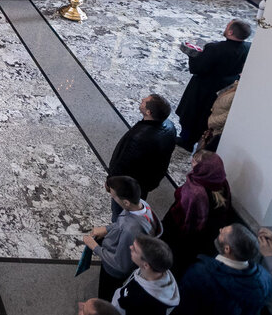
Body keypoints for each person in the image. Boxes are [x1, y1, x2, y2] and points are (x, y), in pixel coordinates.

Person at [175, 19, 252, 150]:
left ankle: (186, 141)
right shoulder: (248, 47)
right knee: (207, 116)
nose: (226, 28)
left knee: (192, 114)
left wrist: (192, 55)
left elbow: (198, 68)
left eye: (227, 26)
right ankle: (202, 139)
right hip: (225, 87)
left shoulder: (215, 49)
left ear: (230, 31)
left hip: (204, 87)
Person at [83, 176, 163, 301]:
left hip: (112, 271)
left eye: (114, 197)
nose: (112, 197)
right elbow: (123, 221)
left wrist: (94, 246)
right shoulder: (142, 205)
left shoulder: (130, 230)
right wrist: (107, 229)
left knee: (106, 296)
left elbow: (120, 265)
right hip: (117, 246)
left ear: (125, 202)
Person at [161, 150, 232, 276]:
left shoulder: (195, 193)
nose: (192, 162)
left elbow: (180, 218)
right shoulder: (220, 182)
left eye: (196, 162)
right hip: (205, 240)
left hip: (183, 240)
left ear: (205, 168)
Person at [176, 224, 272, 315]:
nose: (220, 229)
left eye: (223, 233)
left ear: (227, 249)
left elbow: (184, 306)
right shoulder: (266, 278)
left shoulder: (200, 274)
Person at [107, 94, 177, 217]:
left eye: (144, 102)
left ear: (149, 112)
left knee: (120, 213)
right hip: (146, 182)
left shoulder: (139, 138)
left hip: (127, 185)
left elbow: (123, 163)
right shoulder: (170, 127)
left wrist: (110, 181)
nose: (141, 100)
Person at [111, 235, 179, 315]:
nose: (130, 247)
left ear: (146, 265)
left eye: (135, 250)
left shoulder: (142, 301)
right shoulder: (157, 268)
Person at [199, 80, 238, 151]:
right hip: (212, 127)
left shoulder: (238, 94)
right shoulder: (234, 86)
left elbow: (229, 116)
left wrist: (211, 122)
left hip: (217, 130)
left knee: (206, 155)